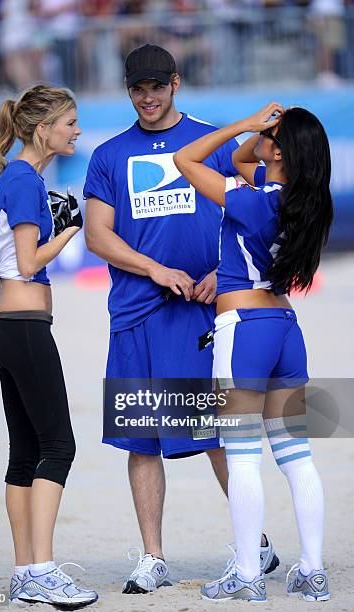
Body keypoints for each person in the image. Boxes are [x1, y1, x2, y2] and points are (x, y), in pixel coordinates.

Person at [84, 43, 279, 594]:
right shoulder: (109, 155)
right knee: (141, 440)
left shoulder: (214, 142)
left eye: (156, 86)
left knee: (216, 432)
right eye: (136, 88)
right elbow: (100, 235)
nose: (147, 97)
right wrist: (155, 269)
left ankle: (256, 546)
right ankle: (153, 557)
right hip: (136, 312)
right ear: (129, 91)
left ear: (176, 83)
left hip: (203, 311)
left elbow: (257, 215)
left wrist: (226, 271)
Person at [174, 102, 333, 602]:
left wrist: (245, 125)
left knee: (242, 458)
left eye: (272, 136)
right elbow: (246, 164)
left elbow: (186, 159)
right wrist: (267, 140)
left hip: (243, 328)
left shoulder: (255, 201)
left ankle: (246, 575)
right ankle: (312, 570)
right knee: (295, 456)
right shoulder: (299, 200)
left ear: (280, 150)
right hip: (285, 327)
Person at [0, 84, 99, 608]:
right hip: (24, 327)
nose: (76, 131)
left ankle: (26, 570)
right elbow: (28, 263)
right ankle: (42, 570)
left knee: (25, 452)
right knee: (59, 447)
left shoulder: (18, 177)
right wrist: (71, 229)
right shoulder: (25, 180)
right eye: (69, 122)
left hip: (6, 326)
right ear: (41, 129)